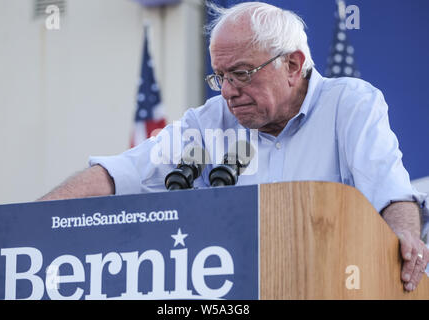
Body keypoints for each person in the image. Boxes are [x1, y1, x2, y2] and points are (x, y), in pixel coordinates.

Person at [39, 2, 428, 291]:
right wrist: (28, 224)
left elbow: (391, 195)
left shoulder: (350, 104)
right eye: (220, 76)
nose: (227, 92)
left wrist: (405, 241)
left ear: (293, 65)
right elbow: (117, 175)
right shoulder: (210, 121)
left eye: (242, 74)